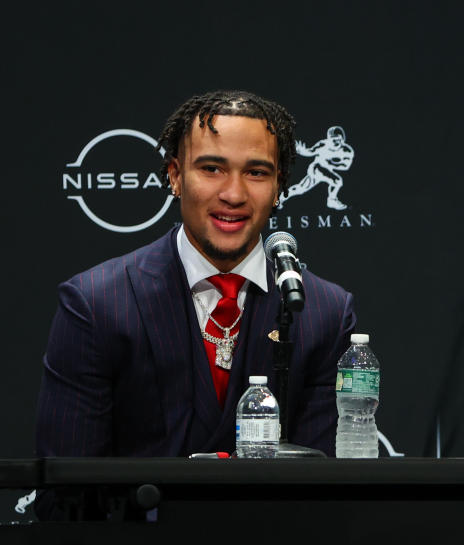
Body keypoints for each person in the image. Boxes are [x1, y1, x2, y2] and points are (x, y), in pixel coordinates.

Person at [36, 90, 356, 459]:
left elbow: (325, 489)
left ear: (279, 187)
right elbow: (66, 491)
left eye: (256, 172)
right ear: (174, 176)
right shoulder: (96, 303)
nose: (234, 194)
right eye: (211, 169)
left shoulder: (324, 312)